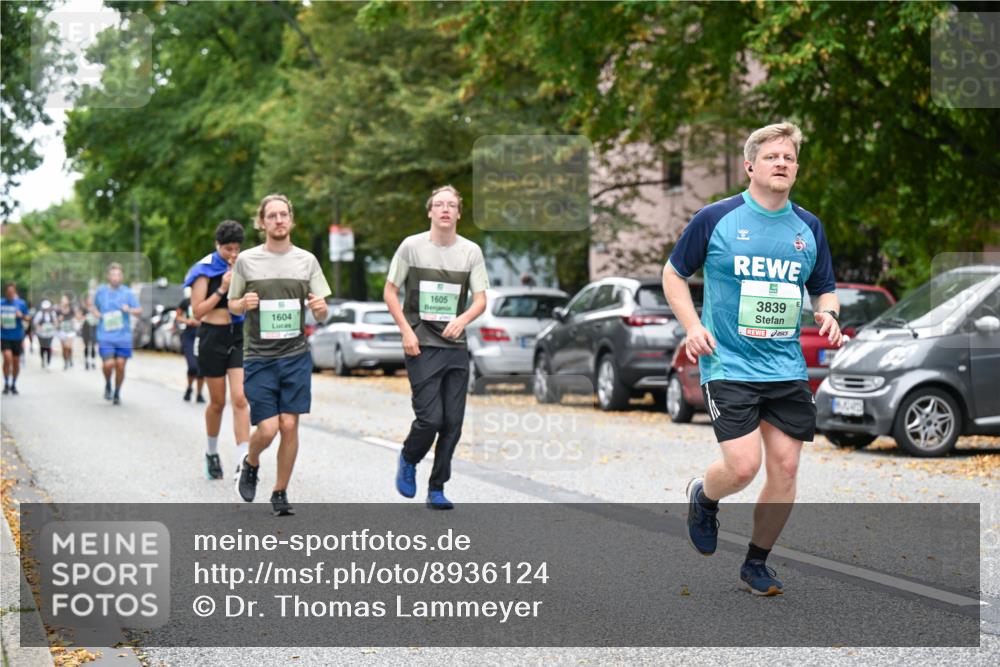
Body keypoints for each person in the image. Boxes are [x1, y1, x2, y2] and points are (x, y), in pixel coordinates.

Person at [662, 122, 842, 596]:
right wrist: (692, 326)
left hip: (785, 367)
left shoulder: (808, 228)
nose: (782, 163)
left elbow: (824, 288)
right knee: (743, 467)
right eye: (772, 156)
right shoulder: (716, 217)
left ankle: (756, 564)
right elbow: (674, 274)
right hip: (728, 364)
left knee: (785, 469)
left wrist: (828, 314)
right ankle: (704, 497)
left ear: (796, 169)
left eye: (789, 158)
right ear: (749, 166)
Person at [384, 185, 489, 510]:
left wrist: (463, 318)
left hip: (455, 346)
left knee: (453, 423)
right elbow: (390, 292)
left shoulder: (471, 251)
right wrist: (406, 331)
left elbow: (481, 299)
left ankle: (437, 488)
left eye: (451, 205)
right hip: (421, 345)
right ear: (430, 211)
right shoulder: (411, 247)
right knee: (430, 419)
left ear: (458, 213)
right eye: (439, 204)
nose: (445, 209)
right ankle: (409, 456)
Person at [229, 195, 330, 515]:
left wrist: (320, 309)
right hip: (259, 357)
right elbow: (233, 304)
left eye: (283, 214)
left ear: (291, 219)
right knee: (269, 428)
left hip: (295, 355)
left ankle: (280, 492)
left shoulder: (307, 261)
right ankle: (250, 462)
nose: (278, 220)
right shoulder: (247, 261)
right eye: (271, 216)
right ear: (262, 223)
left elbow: (322, 312)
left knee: (289, 424)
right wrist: (243, 303)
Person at [185, 220, 251, 481]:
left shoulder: (244, 266)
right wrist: (222, 288)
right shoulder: (204, 269)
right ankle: (211, 452)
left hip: (237, 335)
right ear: (217, 245)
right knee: (217, 402)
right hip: (212, 336)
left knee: (240, 398)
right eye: (227, 249)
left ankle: (244, 460)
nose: (233, 254)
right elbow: (197, 312)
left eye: (237, 249)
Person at [92, 263, 142, 405]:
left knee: (120, 365)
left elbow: (139, 310)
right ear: (108, 276)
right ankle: (108, 382)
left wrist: (129, 309)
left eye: (119, 275)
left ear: (122, 276)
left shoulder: (128, 293)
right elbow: (93, 307)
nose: (116, 277)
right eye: (113, 275)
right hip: (105, 335)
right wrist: (98, 314)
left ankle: (117, 392)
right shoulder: (101, 291)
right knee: (109, 364)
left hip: (123, 336)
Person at [175, 287, 205, 404]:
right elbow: (178, 316)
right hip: (189, 336)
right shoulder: (186, 301)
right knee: (193, 366)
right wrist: (187, 321)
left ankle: (199, 393)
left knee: (201, 367)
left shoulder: (207, 301)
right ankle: (189, 388)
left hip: (203, 335)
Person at [1, 282, 31, 394]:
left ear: (15, 292)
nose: (10, 294)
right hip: (4, 335)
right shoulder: (1, 303)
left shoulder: (20, 303)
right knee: (7, 357)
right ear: (6, 292)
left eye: (12, 292)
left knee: (16, 362)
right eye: (8, 292)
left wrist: (21, 315)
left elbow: (28, 317)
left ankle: (13, 384)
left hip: (17, 336)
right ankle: (6, 382)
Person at [33, 300, 58, 370]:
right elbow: (35, 322)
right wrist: (39, 327)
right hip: (41, 334)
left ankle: (48, 362)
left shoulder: (52, 314)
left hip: (50, 333)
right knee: (42, 347)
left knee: (48, 347)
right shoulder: (40, 314)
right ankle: (43, 360)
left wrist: (54, 326)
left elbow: (56, 322)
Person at [57, 295, 77, 370]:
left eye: (65, 299)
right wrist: (58, 320)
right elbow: (55, 321)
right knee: (64, 348)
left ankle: (70, 357)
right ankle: (65, 362)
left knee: (68, 346)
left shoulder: (71, 309)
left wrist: (74, 320)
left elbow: (76, 317)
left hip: (70, 330)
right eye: (62, 300)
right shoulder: (58, 310)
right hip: (62, 330)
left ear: (68, 301)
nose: (64, 301)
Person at [80, 298, 99, 370]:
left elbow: (98, 316)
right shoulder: (84, 309)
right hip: (86, 329)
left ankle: (93, 361)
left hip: (94, 329)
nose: (90, 301)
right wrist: (83, 318)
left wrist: (94, 311)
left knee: (93, 346)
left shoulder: (95, 309)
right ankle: (86, 361)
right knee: (86, 346)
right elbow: (80, 317)